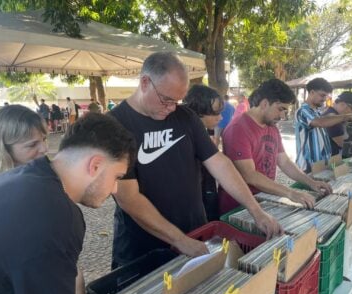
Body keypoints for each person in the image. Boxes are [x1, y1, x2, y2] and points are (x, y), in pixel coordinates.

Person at [109, 52, 281, 268]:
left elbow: (219, 163)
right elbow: (129, 198)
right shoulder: (114, 125)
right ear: (145, 83)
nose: (172, 108)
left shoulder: (186, 117)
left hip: (195, 233)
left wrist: (256, 211)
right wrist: (179, 240)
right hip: (141, 248)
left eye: (177, 101)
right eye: (167, 99)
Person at [0, 113, 136, 294]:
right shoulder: (56, 213)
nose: (115, 188)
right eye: (117, 176)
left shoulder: (21, 178)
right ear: (95, 166)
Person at [219, 79, 332, 213]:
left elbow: (284, 161)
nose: (283, 116)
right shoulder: (238, 129)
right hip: (239, 206)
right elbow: (249, 175)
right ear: (265, 103)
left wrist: (311, 182)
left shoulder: (271, 126)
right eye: (281, 109)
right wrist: (290, 193)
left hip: (264, 198)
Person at [295, 78, 352, 172]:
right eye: (322, 95)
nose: (324, 99)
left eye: (326, 96)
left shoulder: (317, 111)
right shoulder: (302, 111)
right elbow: (320, 122)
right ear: (312, 92)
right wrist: (347, 116)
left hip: (321, 164)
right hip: (308, 165)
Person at [183, 84, 224, 220]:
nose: (220, 118)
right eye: (215, 113)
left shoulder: (204, 132)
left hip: (206, 195)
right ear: (199, 112)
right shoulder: (186, 138)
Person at [0, 105, 48, 175]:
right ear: (4, 148)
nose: (45, 149)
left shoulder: (40, 168)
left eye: (44, 139)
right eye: (32, 145)